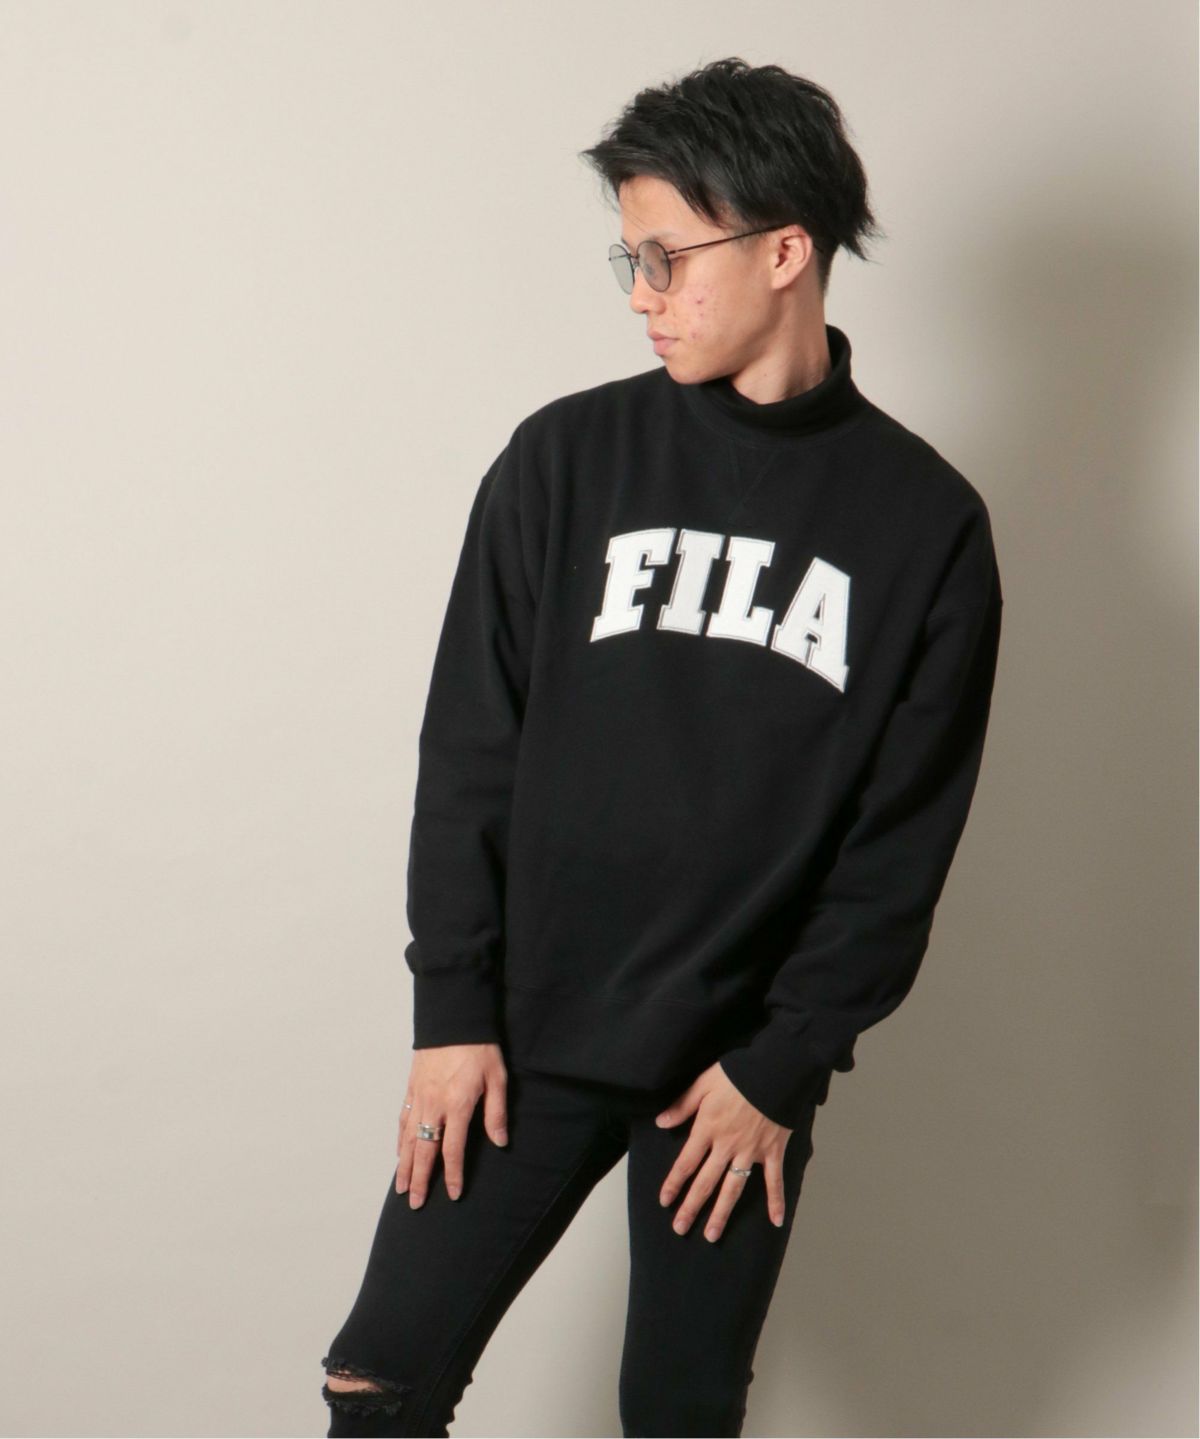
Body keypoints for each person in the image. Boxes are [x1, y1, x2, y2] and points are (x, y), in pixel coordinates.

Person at [319, 56, 1003, 1438]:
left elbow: (899, 845)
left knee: (677, 1416)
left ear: (785, 252)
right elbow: (470, 751)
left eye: (668, 257)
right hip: (524, 1034)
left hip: (731, 1075)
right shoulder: (564, 461)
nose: (642, 293)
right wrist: (452, 1011)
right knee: (379, 1379)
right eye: (628, 259)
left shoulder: (924, 524)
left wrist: (783, 1064)